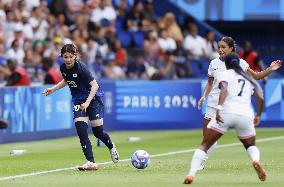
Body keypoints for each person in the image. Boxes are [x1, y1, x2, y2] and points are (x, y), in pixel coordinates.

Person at [197, 36, 281, 170]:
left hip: (229, 106)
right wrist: (203, 96)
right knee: (207, 138)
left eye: (223, 47)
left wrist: (270, 68)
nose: (220, 50)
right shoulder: (213, 63)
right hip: (212, 104)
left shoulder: (240, 63)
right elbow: (210, 83)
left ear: (231, 48)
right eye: (219, 47)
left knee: (241, 138)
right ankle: (202, 160)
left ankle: (200, 162)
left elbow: (256, 76)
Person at [184, 53, 266, 184]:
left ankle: (191, 174)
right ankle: (255, 160)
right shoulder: (248, 78)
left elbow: (224, 91)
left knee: (205, 144)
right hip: (245, 115)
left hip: (227, 113)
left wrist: (219, 109)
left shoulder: (225, 74)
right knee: (250, 145)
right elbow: (260, 96)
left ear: (227, 64)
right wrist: (258, 115)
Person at [43, 43, 119, 170]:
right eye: (65, 57)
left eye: (70, 57)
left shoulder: (81, 68)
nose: (67, 60)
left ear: (75, 56)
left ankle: (111, 146)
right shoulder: (63, 68)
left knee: (98, 133)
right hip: (78, 100)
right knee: (81, 130)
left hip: (93, 98)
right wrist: (53, 89)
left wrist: (88, 102)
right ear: (62, 57)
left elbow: (94, 86)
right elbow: (67, 80)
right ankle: (90, 162)